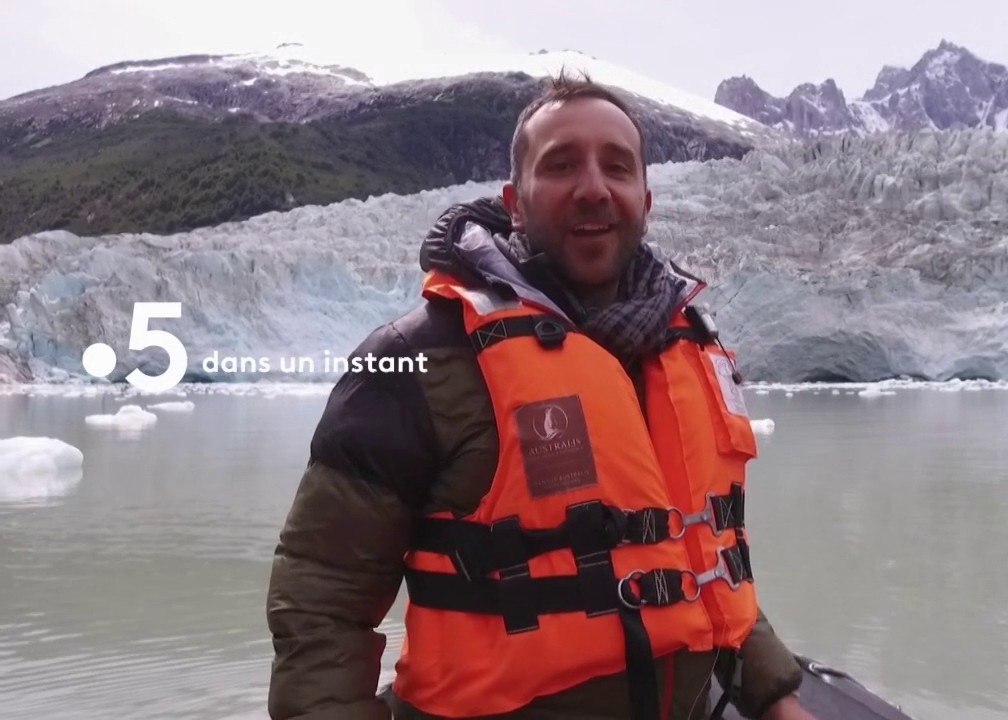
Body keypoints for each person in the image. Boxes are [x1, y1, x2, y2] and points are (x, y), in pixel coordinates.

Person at [266, 72, 815, 720]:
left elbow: (704, 562)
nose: (592, 188)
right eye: (560, 165)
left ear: (645, 197)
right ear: (515, 202)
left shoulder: (685, 351)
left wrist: (775, 697)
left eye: (616, 166)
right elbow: (323, 601)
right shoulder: (423, 359)